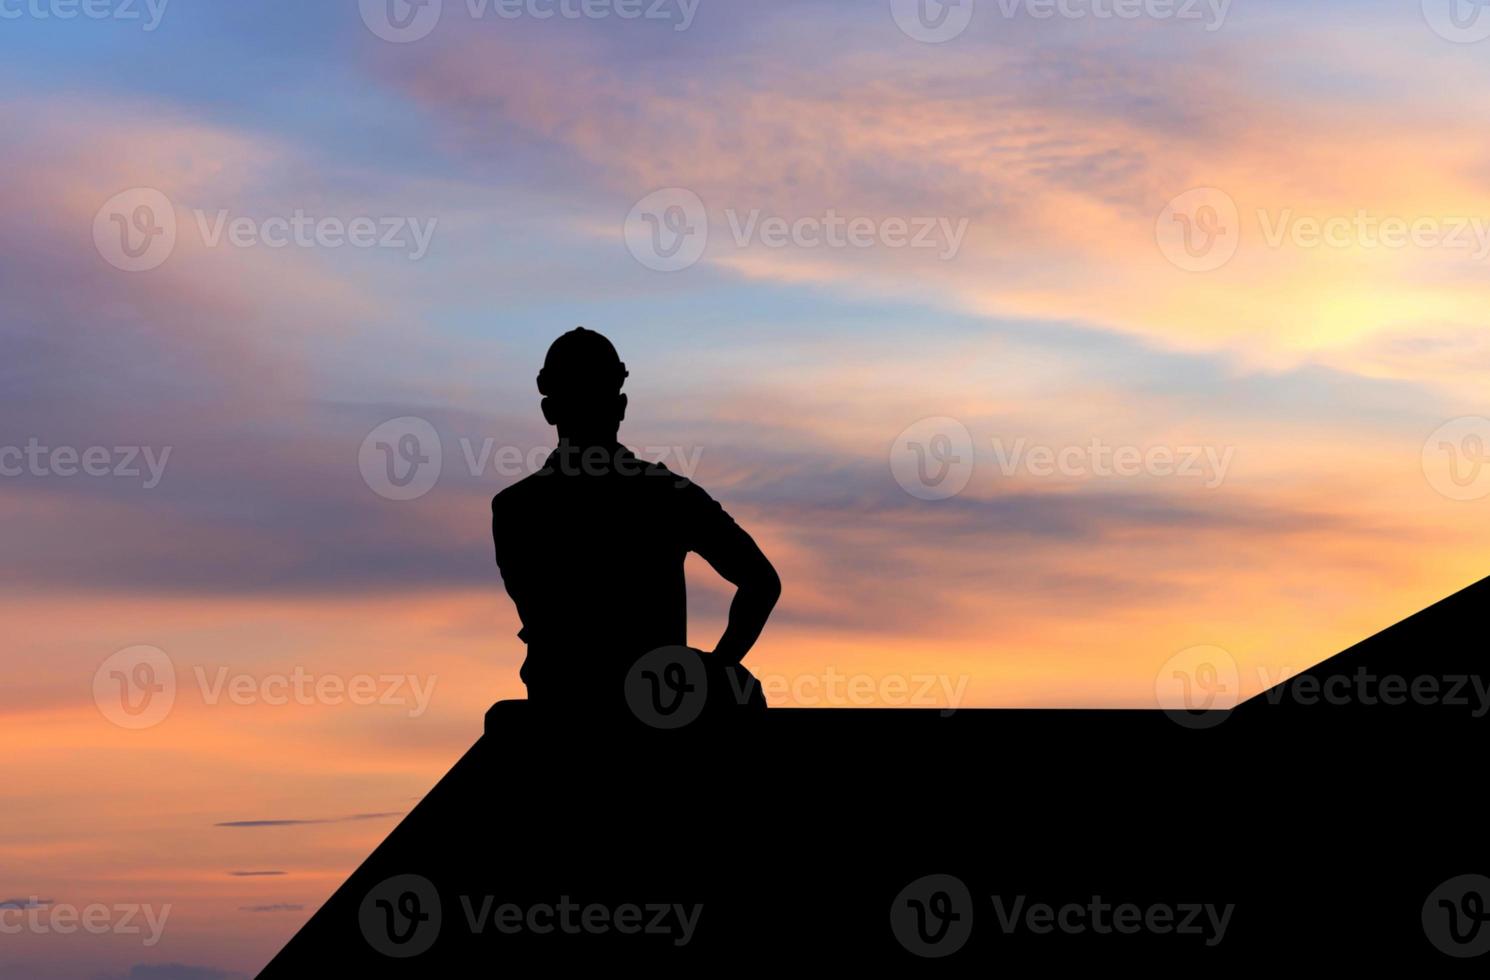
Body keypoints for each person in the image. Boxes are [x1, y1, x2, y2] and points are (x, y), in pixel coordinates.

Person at [492, 328, 781, 712]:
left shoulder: (516, 508)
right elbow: (761, 582)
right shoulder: (667, 495)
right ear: (622, 405)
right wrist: (719, 665)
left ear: (549, 410)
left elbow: (547, 622)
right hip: (652, 699)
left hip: (565, 696)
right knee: (741, 690)